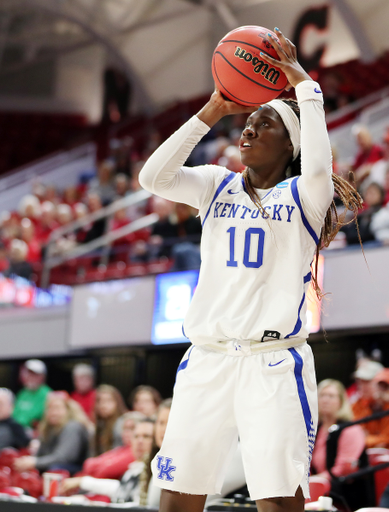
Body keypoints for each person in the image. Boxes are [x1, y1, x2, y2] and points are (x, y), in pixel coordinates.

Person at [138, 27, 361, 512]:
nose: (248, 130)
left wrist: (304, 84)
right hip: (208, 357)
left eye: (265, 125)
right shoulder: (216, 185)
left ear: (291, 145)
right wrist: (213, 110)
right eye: (248, 123)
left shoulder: (303, 195)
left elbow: (321, 166)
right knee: (175, 497)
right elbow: (152, 177)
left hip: (273, 362)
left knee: (278, 502)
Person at [61, 418, 154, 504]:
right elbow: (120, 490)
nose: (139, 441)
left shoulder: (153, 472)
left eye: (146, 436)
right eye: (136, 436)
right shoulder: (131, 470)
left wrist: (82, 482)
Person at [311, 379, 371, 510]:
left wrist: (314, 481)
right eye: (322, 395)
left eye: (331, 396)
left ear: (341, 401)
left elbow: (343, 469)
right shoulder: (316, 428)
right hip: (321, 491)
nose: (325, 400)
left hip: (346, 496)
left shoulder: (351, 430)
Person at [13, 391, 91, 475]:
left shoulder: (73, 426)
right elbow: (39, 455)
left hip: (74, 471)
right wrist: (27, 461)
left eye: (57, 408)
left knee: (54, 469)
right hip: (55, 466)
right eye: (50, 408)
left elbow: (63, 458)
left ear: (68, 410)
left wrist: (34, 462)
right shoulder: (48, 428)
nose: (53, 412)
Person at [82, 411, 146, 480]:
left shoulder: (136, 452)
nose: (127, 432)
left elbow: (105, 471)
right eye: (125, 428)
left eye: (131, 428)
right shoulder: (120, 449)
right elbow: (88, 463)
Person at [12, 359, 52, 429]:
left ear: (42, 377)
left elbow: (40, 418)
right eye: (28, 373)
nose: (30, 377)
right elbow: (14, 414)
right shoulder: (22, 393)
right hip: (18, 430)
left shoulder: (48, 395)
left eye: (35, 374)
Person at [94, 384, 127, 455]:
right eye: (99, 401)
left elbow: (118, 454)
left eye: (108, 400)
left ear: (117, 403)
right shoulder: (99, 425)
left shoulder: (122, 423)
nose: (103, 405)